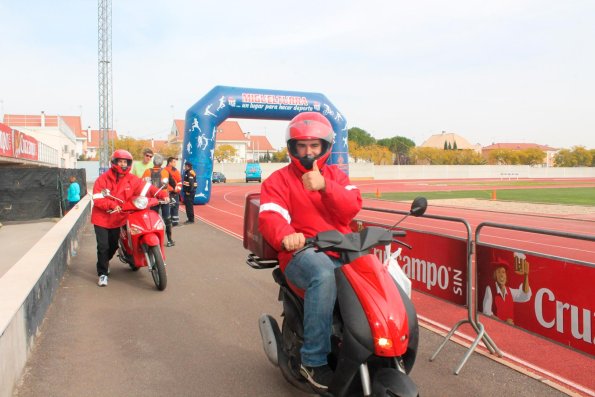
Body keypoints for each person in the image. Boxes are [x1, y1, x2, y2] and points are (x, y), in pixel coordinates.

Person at [258, 112, 362, 392]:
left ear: (325, 147)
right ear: (292, 148)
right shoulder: (277, 181)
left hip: (341, 248)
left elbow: (352, 207)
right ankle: (313, 361)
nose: (308, 152)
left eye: (314, 146)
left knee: (378, 276)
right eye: (301, 146)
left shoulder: (337, 176)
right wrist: (287, 236)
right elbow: (270, 216)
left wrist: (326, 186)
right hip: (302, 252)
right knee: (323, 275)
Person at [91, 149, 169, 287]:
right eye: (120, 161)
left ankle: (105, 260)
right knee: (103, 246)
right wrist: (111, 204)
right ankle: (103, 273)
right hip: (102, 218)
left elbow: (148, 188)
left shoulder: (132, 179)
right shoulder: (103, 179)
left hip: (119, 218)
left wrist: (162, 194)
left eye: (125, 162)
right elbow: (97, 198)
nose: (123, 164)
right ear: (114, 162)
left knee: (113, 245)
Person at [482, 257, 532, 325]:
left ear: (506, 275)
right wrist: (504, 323)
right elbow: (486, 313)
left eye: (503, 272)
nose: (501, 275)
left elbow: (525, 296)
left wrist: (526, 276)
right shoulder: (489, 289)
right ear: (495, 275)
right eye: (498, 272)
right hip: (495, 330)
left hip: (510, 332)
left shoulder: (510, 291)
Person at [142, 154, 175, 247]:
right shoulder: (165, 172)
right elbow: (170, 185)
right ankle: (169, 240)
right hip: (164, 198)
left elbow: (142, 184)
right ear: (162, 163)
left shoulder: (147, 171)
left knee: (153, 220)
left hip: (152, 199)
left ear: (153, 162)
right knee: (167, 218)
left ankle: (154, 239)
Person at [165, 156, 182, 226]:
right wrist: (172, 189)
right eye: (174, 162)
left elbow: (179, 181)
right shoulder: (164, 171)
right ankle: (168, 222)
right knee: (168, 207)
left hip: (175, 193)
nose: (175, 163)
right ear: (170, 163)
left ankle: (175, 222)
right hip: (168, 193)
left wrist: (177, 189)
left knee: (175, 206)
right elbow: (164, 182)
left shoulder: (176, 171)